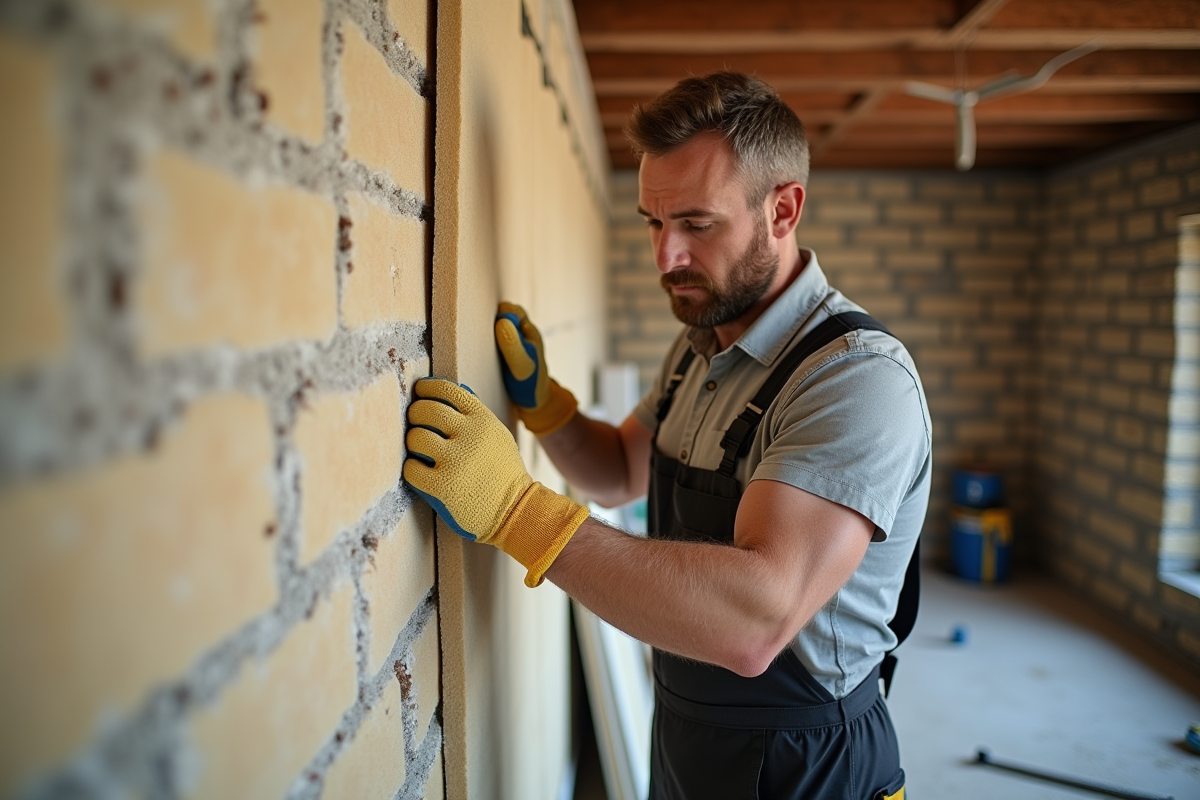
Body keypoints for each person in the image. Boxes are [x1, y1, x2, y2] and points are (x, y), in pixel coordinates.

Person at [403, 71, 931, 800]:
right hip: (688, 728)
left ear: (783, 209)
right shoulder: (700, 346)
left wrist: (515, 514)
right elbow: (619, 469)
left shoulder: (855, 380)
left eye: (696, 224)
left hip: (808, 764)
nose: (665, 256)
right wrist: (546, 408)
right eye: (654, 223)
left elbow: (755, 621)